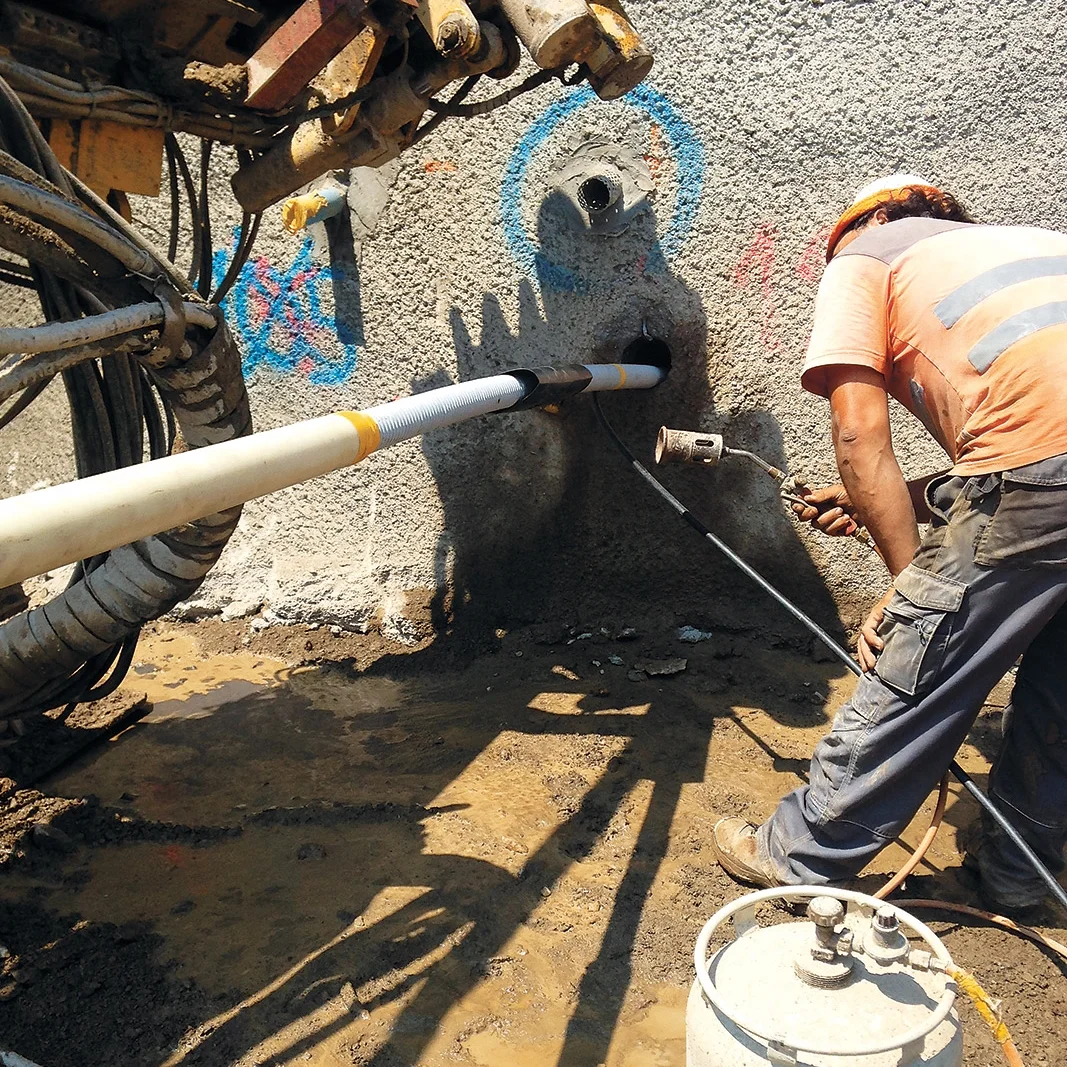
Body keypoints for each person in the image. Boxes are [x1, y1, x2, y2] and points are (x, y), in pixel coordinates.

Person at [712, 174, 1067, 916]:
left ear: (867, 220)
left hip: (1040, 463)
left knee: (917, 654)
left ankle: (799, 853)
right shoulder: (1037, 246)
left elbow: (858, 432)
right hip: (1046, 465)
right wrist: (892, 497)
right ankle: (1018, 875)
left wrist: (913, 590)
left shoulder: (866, 255)